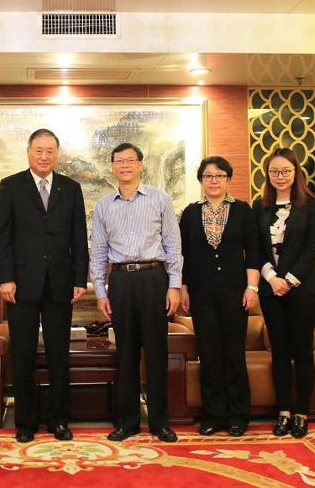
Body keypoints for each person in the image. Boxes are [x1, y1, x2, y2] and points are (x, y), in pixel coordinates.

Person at [0, 128, 89, 443]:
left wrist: (80, 279)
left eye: (50, 151)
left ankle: (59, 420)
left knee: (59, 355)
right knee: (22, 355)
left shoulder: (71, 188)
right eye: (39, 150)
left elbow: (79, 237)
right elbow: (1, 238)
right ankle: (25, 422)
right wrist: (5, 278)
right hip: (21, 285)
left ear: (57, 154)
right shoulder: (11, 186)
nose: (44, 156)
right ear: (28, 152)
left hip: (60, 283)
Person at [90, 142, 182, 443]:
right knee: (126, 354)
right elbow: (98, 252)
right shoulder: (104, 205)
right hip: (121, 281)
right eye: (119, 161)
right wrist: (101, 292)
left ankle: (159, 422)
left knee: (156, 352)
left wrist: (174, 286)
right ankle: (128, 422)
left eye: (130, 160)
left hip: (154, 278)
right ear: (112, 166)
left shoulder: (160, 199)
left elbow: (173, 246)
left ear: (140, 165)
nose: (125, 165)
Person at [179, 156, 261, 437]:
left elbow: (253, 252)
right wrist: (184, 288)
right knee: (209, 354)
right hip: (201, 294)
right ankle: (213, 415)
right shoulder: (190, 213)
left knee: (233, 354)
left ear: (228, 179)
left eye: (219, 176)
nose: (213, 181)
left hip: (235, 292)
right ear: (201, 180)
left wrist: (252, 288)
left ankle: (238, 415)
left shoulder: (242, 210)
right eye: (208, 176)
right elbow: (183, 255)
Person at [253, 147, 315, 439]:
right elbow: (255, 248)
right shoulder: (260, 206)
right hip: (271, 291)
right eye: (274, 171)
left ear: (296, 173)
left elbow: (312, 248)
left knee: (302, 352)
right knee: (279, 353)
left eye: (286, 171)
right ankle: (283, 412)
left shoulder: (311, 205)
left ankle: (301, 414)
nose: (280, 176)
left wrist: (289, 280)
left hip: (301, 290)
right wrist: (271, 278)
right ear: (267, 174)